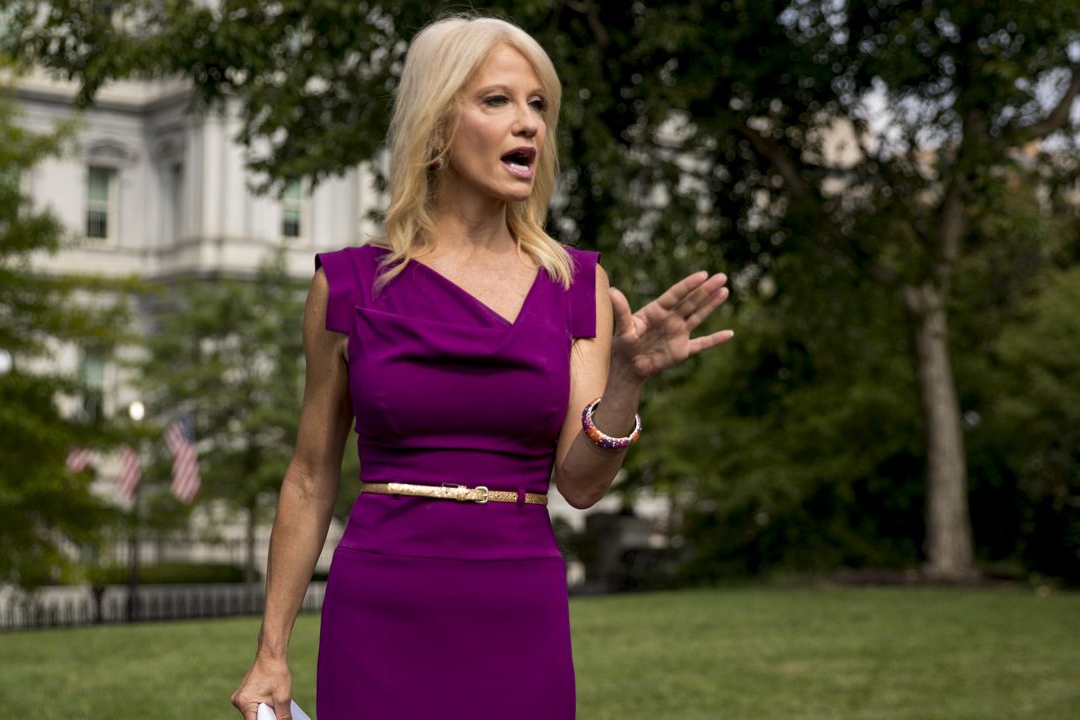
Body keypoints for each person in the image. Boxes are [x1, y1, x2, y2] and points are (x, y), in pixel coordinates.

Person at [230, 14, 732, 720]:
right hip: (379, 607)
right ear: (437, 126)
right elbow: (311, 476)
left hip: (518, 607)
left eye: (538, 105)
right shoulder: (346, 285)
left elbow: (581, 485)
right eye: (496, 100)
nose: (527, 123)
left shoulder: (575, 283)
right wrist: (271, 654)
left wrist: (626, 381)